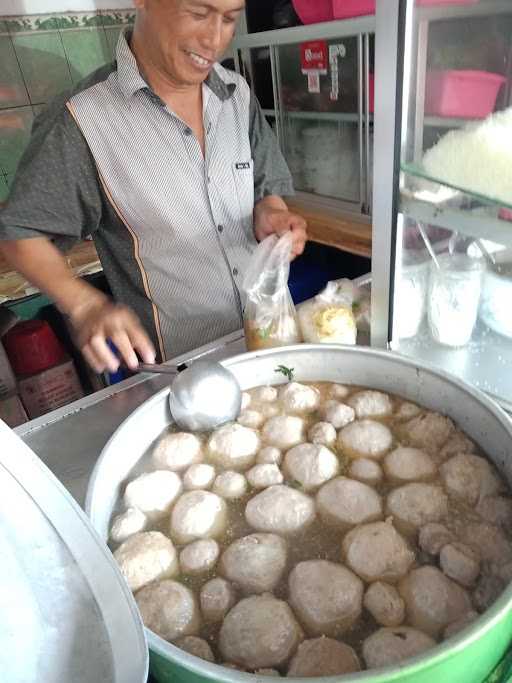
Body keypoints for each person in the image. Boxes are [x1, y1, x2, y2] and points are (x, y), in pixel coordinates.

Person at [0, 0, 307, 374]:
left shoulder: (236, 93)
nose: (215, 39)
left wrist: (270, 212)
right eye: (198, 13)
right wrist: (84, 305)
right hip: (183, 370)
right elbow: (20, 234)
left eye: (229, 19)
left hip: (270, 340)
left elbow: (264, 187)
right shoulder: (82, 119)